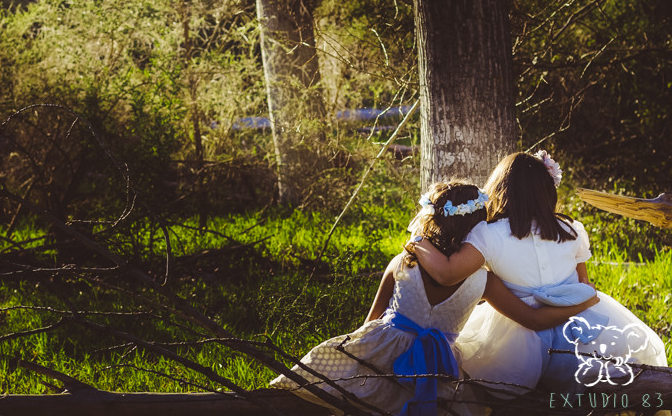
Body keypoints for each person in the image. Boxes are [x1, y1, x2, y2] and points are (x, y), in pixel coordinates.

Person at [271, 181, 599, 416]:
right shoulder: (483, 280)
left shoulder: (402, 262)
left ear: (432, 219)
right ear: (477, 228)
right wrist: (585, 300)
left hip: (379, 356)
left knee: (342, 388)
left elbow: (371, 321)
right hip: (439, 368)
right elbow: (534, 320)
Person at [410, 151, 667, 394]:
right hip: (582, 328)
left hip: (519, 335)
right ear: (547, 192)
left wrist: (418, 239)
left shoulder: (487, 235)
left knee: (478, 370)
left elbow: (446, 274)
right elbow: (584, 285)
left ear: (499, 191)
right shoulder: (572, 229)